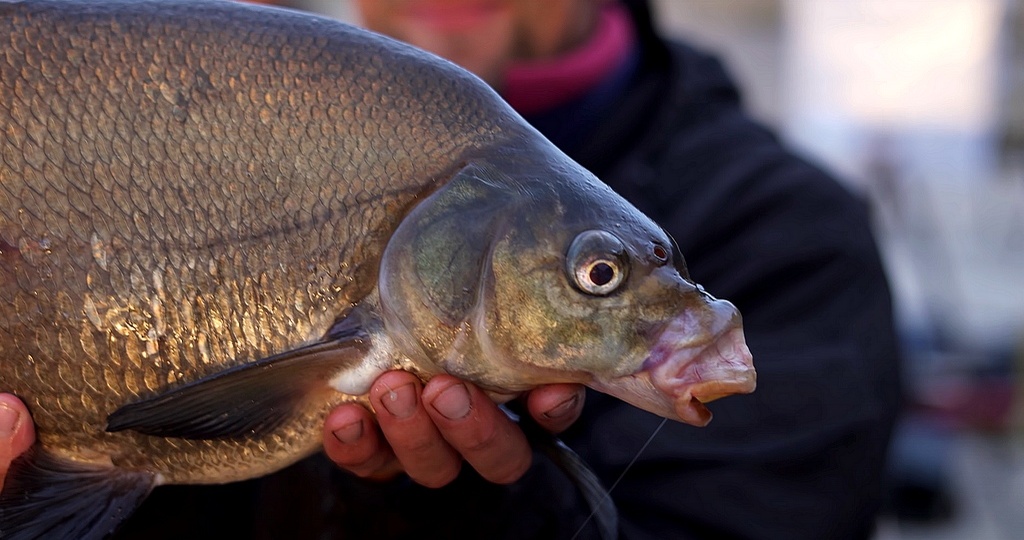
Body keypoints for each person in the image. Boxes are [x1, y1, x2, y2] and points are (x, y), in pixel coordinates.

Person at [0, 0, 902, 538]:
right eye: (597, 274)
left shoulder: (790, 232)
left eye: (597, 274)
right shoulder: (231, 88)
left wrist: (473, 507)